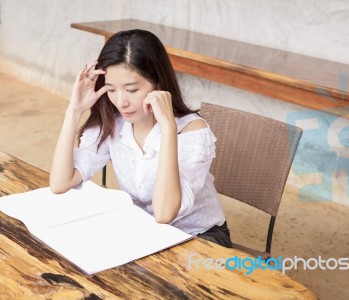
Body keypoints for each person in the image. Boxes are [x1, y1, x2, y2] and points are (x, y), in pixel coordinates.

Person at [49, 29, 232, 248]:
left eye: (132, 90)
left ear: (158, 84)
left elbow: (165, 213)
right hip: (146, 233)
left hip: (198, 237)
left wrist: (168, 129)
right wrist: (74, 110)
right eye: (111, 90)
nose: (121, 102)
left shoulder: (192, 131)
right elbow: (60, 183)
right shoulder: (114, 123)